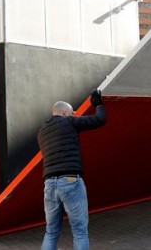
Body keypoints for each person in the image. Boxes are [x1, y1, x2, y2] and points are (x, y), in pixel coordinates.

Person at [37, 90, 106, 250]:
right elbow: (100, 119)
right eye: (72, 112)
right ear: (64, 112)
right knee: (80, 231)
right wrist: (98, 104)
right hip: (70, 181)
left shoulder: (42, 132)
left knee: (51, 231)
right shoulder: (69, 122)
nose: (74, 114)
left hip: (49, 185)